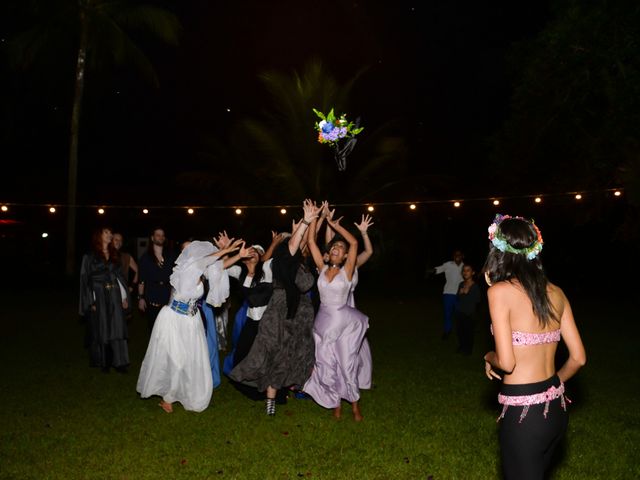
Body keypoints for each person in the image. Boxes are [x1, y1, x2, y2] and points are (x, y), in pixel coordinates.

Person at [482, 214, 586, 480]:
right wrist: (551, 387)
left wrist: (487, 355)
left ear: (498, 252)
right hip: (556, 409)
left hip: (523, 416)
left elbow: (506, 363)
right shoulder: (556, 292)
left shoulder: (499, 292)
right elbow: (578, 358)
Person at [230, 200, 319, 416]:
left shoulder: (299, 263)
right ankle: (269, 400)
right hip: (281, 311)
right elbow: (293, 245)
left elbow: (308, 242)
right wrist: (305, 222)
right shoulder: (282, 257)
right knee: (272, 352)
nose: (297, 244)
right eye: (293, 241)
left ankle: (276, 398)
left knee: (288, 355)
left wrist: (315, 221)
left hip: (299, 313)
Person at [136, 239, 244, 413]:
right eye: (187, 249)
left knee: (190, 358)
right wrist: (225, 250)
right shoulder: (186, 269)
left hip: (192, 321)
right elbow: (208, 260)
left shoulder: (200, 270)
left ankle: (182, 392)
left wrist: (238, 254)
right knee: (177, 359)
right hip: (174, 319)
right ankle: (168, 397)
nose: (193, 253)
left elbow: (220, 266)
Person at [303, 209, 371, 421]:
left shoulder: (347, 271)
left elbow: (354, 244)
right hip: (323, 322)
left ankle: (354, 404)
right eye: (334, 245)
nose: (337, 248)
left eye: (340, 248)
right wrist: (313, 219)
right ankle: (335, 402)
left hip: (344, 323)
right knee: (326, 363)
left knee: (346, 362)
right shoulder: (322, 268)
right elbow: (312, 242)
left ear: (344, 257)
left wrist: (334, 224)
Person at [79, 227, 129, 373]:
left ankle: (120, 362)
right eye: (106, 232)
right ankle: (104, 362)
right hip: (99, 296)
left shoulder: (115, 255)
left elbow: (119, 277)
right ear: (99, 236)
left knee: (117, 328)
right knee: (102, 329)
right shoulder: (89, 257)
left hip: (114, 294)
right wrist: (91, 301)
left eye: (110, 233)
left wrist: (124, 297)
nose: (110, 235)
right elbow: (85, 280)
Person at [137, 228, 177, 332]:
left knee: (168, 328)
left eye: (162, 235)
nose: (161, 237)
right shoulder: (145, 258)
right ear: (152, 238)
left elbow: (177, 274)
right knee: (154, 327)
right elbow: (141, 280)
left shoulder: (171, 255)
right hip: (152, 295)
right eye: (158, 235)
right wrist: (141, 298)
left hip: (168, 294)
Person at [430, 250, 464, 339]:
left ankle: (460, 331)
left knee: (459, 314)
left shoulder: (465, 267)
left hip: (459, 294)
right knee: (447, 314)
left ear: (462, 256)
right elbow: (438, 269)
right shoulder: (448, 264)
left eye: (459, 254)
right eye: (455, 254)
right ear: (453, 256)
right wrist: (430, 271)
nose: (457, 256)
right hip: (448, 293)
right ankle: (447, 331)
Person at [454, 263, 482, 355]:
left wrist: (468, 293)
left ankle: (468, 350)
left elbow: (477, 300)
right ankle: (461, 346)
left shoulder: (475, 286)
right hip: (460, 312)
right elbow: (458, 298)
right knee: (460, 331)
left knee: (468, 332)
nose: (465, 272)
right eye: (464, 270)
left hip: (469, 313)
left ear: (473, 273)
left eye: (468, 270)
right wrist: (460, 293)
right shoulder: (461, 284)